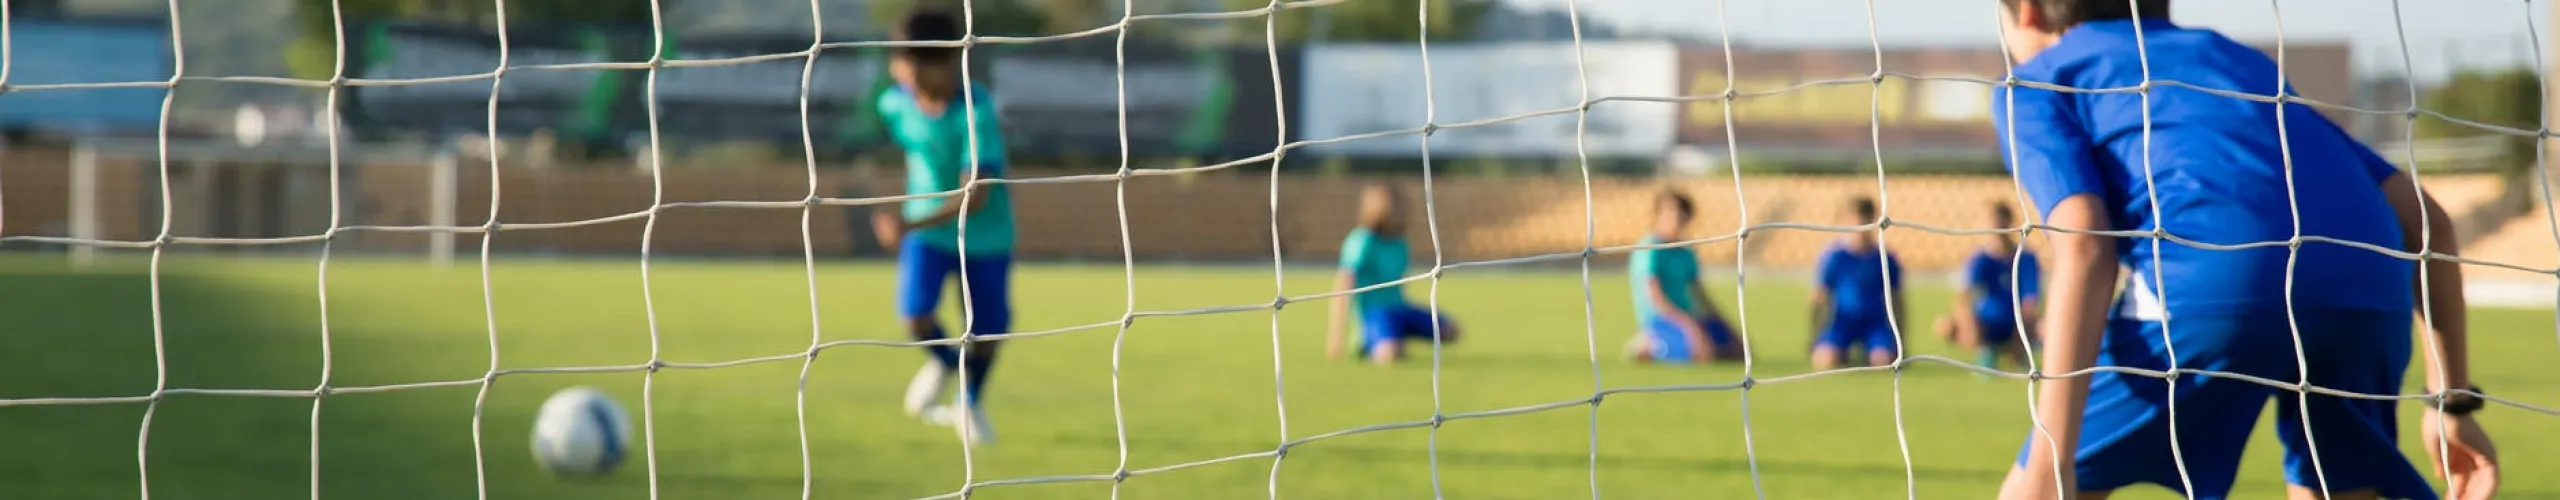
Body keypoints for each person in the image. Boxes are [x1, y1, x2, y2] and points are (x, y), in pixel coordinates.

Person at [1990, 1, 2497, 499]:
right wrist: (2450, 402)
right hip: (2366, 279)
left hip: (2219, 278)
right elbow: (2427, 221)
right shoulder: (2229, 57)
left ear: (2027, 11)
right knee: (2338, 484)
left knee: (2042, 487)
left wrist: (2050, 457)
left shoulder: (2037, 80)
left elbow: (2083, 239)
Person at [877, 9, 1011, 447]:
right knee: (916, 315)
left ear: (947, 63)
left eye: (915, 66)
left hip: (985, 235)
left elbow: (977, 195)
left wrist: (908, 220)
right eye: (900, 64)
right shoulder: (894, 103)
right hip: (930, 235)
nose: (905, 75)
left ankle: (969, 402)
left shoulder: (976, 110)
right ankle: (946, 365)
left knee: (988, 331)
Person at [1327, 185, 1461, 365]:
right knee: (1389, 355)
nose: (1399, 213)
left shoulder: (1400, 244)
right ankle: (1364, 339)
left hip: (1401, 309)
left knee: (1450, 331)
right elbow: (1343, 285)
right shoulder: (1362, 241)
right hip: (1374, 314)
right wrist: (1336, 334)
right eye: (1393, 207)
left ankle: (1395, 336)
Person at [1625, 189, 1743, 364]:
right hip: (1662, 319)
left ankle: (1666, 346)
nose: (1676, 218)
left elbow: (1699, 292)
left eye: (1681, 213)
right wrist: (1688, 326)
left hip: (1691, 316)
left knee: (1738, 352)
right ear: (1658, 215)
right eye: (1670, 212)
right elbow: (1655, 296)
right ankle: (1649, 344)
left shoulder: (1686, 251)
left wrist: (1726, 324)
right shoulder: (1650, 249)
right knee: (1703, 354)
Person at [1935, 201, 2040, 371]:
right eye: (1992, 222)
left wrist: (2022, 328)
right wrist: (1968, 320)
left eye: (2000, 221)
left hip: (2016, 322)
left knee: (2045, 326)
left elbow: (2031, 300)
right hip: (1986, 322)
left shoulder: (2025, 257)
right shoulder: (1979, 259)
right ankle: (1984, 351)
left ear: (2009, 222)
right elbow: (1963, 297)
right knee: (1945, 325)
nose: (1996, 227)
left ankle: (2023, 351)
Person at [1809, 195, 1905, 370]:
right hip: (1842, 322)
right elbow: (1819, 297)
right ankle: (1842, 352)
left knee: (1883, 362)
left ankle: (1868, 353)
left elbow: (1898, 300)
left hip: (1874, 323)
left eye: (1864, 222)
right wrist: (1815, 337)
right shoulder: (1835, 257)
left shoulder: (1885, 258)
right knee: (1824, 361)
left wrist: (1901, 340)